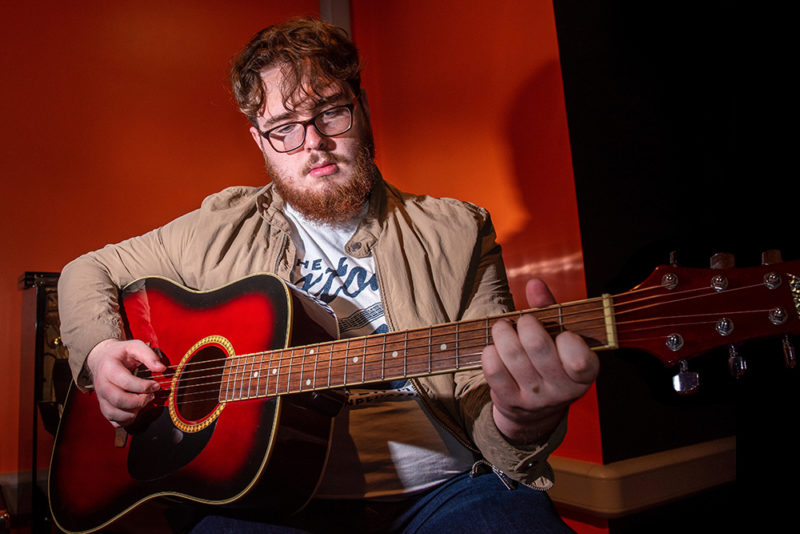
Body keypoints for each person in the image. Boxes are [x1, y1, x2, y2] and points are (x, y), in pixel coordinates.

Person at [57, 17, 598, 533]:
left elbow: (484, 405)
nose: (312, 141)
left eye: (331, 112)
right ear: (259, 141)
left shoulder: (458, 231)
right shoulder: (217, 226)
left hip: (446, 492)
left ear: (361, 107)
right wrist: (102, 353)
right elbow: (87, 269)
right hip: (265, 501)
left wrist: (521, 417)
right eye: (284, 129)